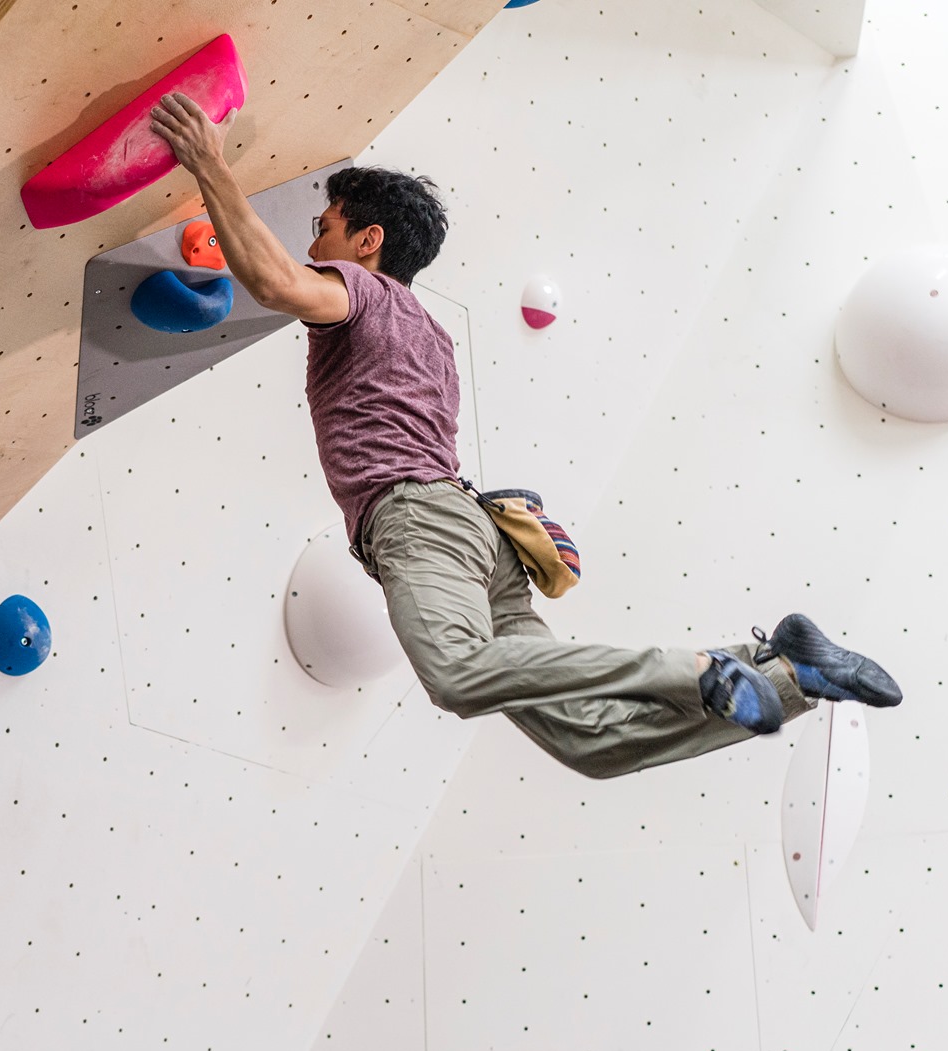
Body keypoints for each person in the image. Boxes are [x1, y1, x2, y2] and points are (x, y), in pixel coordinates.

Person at [148, 94, 901, 778]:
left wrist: (210, 165)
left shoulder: (364, 293)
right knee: (595, 747)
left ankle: (701, 667)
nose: (314, 247)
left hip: (416, 520)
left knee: (454, 675)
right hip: (475, 540)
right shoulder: (430, 334)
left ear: (369, 240)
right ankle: (791, 676)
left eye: (325, 230)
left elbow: (277, 283)